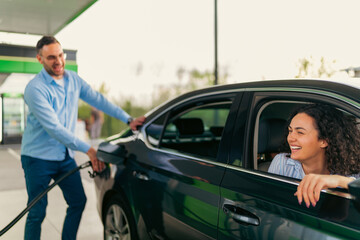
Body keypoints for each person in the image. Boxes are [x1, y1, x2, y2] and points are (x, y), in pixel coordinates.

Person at [20, 36, 145, 240]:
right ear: (39, 59)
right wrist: (89, 149)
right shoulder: (35, 89)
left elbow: (98, 99)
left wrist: (128, 119)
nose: (58, 61)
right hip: (37, 158)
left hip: (64, 156)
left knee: (78, 201)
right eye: (51, 57)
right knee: (36, 212)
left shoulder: (73, 80)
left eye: (60, 55)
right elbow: (54, 128)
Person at [268, 103, 360, 209]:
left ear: (324, 140)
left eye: (300, 132)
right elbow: (271, 206)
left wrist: (340, 181)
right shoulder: (282, 163)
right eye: (290, 131)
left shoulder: (350, 168)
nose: (290, 138)